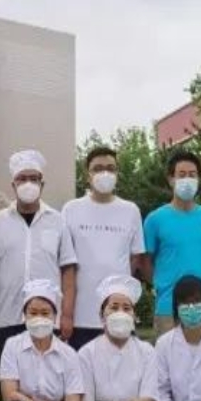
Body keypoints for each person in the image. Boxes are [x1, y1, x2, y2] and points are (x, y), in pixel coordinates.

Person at [0, 148, 77, 401]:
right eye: (22, 179)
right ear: (13, 184)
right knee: (9, 387)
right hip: (8, 314)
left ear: (42, 183)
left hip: (45, 317)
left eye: (34, 178)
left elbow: (68, 269)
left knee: (47, 380)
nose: (28, 184)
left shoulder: (58, 221)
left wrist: (66, 314)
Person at [63, 146, 146, 349]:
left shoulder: (131, 210)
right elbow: (66, 263)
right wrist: (67, 313)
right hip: (81, 316)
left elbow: (135, 258)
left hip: (119, 315)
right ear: (87, 175)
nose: (105, 173)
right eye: (98, 168)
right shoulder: (71, 209)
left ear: (117, 173)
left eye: (110, 168)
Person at [142, 150, 201, 333]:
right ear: (171, 179)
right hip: (168, 309)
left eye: (192, 175)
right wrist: (160, 285)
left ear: (199, 179)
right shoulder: (155, 219)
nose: (187, 179)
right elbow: (145, 261)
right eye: (182, 174)